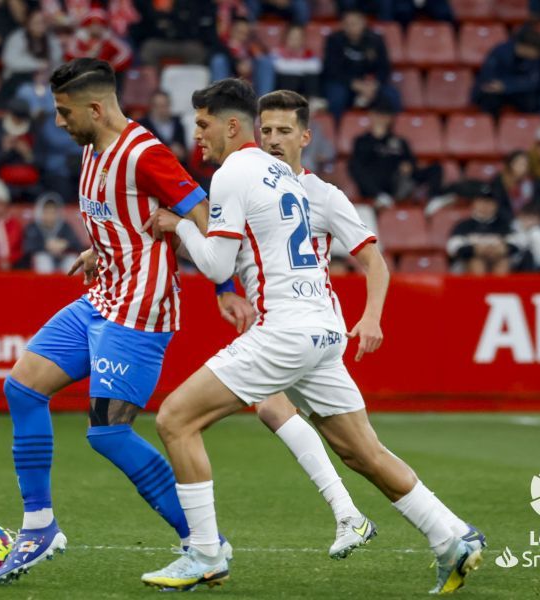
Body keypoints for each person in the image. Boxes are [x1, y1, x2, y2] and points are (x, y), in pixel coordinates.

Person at [140, 80, 483, 595]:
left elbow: (215, 261)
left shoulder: (236, 170)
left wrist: (178, 227)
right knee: (361, 452)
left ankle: (205, 554)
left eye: (203, 125)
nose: (197, 137)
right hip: (323, 327)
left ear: (232, 126)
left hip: (286, 329)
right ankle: (452, 536)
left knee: (175, 418)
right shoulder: (285, 176)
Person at [0, 58, 210, 585]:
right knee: (21, 388)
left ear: (95, 107)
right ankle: (40, 526)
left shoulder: (145, 153)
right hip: (102, 294)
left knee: (108, 433)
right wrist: (101, 250)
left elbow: (206, 217)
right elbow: (122, 217)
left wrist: (220, 280)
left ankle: (203, 542)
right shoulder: (91, 148)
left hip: (140, 308)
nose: (59, 123)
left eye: (65, 112)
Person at [348, 97, 444, 208]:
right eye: (379, 114)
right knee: (353, 165)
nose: (382, 118)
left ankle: (433, 200)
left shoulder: (399, 141)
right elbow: (360, 164)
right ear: (371, 115)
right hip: (374, 185)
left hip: (396, 182)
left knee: (436, 168)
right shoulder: (362, 140)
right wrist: (377, 138)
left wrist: (409, 165)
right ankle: (380, 196)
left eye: (385, 115)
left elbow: (411, 161)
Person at [321, 8, 399, 120]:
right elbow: (332, 69)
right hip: (343, 82)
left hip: (369, 83)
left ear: (363, 23)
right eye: (347, 24)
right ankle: (336, 131)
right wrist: (355, 84)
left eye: (354, 23)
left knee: (392, 95)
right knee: (336, 97)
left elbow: (384, 67)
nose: (351, 27)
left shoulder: (375, 40)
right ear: (342, 25)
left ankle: (391, 132)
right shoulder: (334, 40)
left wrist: (374, 84)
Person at [0, 9, 62, 108]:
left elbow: (57, 60)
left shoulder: (51, 39)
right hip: (20, 80)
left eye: (43, 22)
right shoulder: (17, 37)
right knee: (27, 90)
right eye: (36, 22)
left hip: (46, 81)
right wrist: (38, 64)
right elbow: (9, 60)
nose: (40, 25)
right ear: (28, 23)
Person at [472, 26, 540, 117]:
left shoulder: (534, 60)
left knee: (532, 101)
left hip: (517, 91)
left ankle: (525, 127)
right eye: (535, 52)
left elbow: (533, 82)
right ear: (525, 47)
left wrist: (506, 86)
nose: (536, 56)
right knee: (489, 99)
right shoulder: (500, 52)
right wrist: (500, 86)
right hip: (497, 92)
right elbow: (488, 76)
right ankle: (491, 128)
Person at [447, 181, 517, 275]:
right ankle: (479, 289)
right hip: (469, 264)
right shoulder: (464, 225)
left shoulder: (504, 225)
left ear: (496, 205)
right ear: (474, 203)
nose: (485, 205)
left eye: (489, 202)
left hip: (498, 260)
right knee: (477, 263)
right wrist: (475, 249)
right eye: (481, 201)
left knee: (503, 263)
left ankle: (499, 289)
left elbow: (518, 244)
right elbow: (453, 247)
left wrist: (502, 248)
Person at [0, 97, 42, 195]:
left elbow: (43, 163)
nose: (19, 121)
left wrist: (28, 155)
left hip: (28, 181)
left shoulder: (34, 130)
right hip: (2, 179)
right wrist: (4, 151)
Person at [209, 17, 274, 95]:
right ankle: (221, 99)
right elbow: (214, 56)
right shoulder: (221, 44)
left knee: (265, 61)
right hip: (229, 79)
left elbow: (265, 55)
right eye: (239, 32)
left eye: (245, 34)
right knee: (219, 60)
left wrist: (250, 63)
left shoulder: (251, 47)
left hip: (250, 83)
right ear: (231, 30)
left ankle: (263, 101)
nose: (242, 36)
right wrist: (237, 64)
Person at [20, 194, 82, 272]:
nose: (50, 215)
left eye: (53, 212)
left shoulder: (64, 226)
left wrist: (65, 244)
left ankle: (71, 285)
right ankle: (44, 284)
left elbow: (78, 245)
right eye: (47, 212)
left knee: (73, 261)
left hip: (62, 258)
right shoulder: (33, 227)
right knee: (42, 259)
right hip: (43, 260)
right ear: (40, 212)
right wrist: (46, 246)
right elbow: (28, 248)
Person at [63, 9, 133, 74]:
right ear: (87, 26)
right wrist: (88, 58)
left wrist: (112, 65)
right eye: (94, 25)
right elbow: (70, 54)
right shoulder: (78, 40)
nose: (97, 28)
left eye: (100, 25)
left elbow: (125, 54)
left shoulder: (110, 40)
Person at [271, 24, 321, 99]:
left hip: (304, 86)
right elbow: (280, 67)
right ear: (286, 38)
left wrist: (291, 65)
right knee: (290, 77)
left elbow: (317, 67)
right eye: (292, 37)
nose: (295, 41)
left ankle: (313, 100)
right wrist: (302, 67)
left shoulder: (308, 53)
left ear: (303, 39)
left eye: (298, 38)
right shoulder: (277, 52)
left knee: (311, 78)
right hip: (284, 87)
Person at [138, 90, 187, 164]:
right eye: (158, 106)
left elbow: (184, 152)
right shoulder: (142, 126)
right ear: (151, 107)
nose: (161, 110)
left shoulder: (178, 125)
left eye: (164, 106)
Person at [491, 151, 535, 222]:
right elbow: (498, 204)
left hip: (529, 220)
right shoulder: (500, 180)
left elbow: (536, 202)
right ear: (511, 164)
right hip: (505, 221)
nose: (523, 167)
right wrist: (513, 220)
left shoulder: (531, 181)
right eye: (519, 163)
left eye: (525, 164)